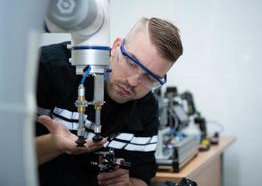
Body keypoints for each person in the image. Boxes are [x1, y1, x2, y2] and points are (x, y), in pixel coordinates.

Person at [36, 17, 183, 186]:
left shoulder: (146, 107)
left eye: (150, 77)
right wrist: (54, 144)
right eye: (131, 62)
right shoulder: (48, 69)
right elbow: (7, 156)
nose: (133, 82)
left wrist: (126, 183)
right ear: (116, 47)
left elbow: (142, 177)